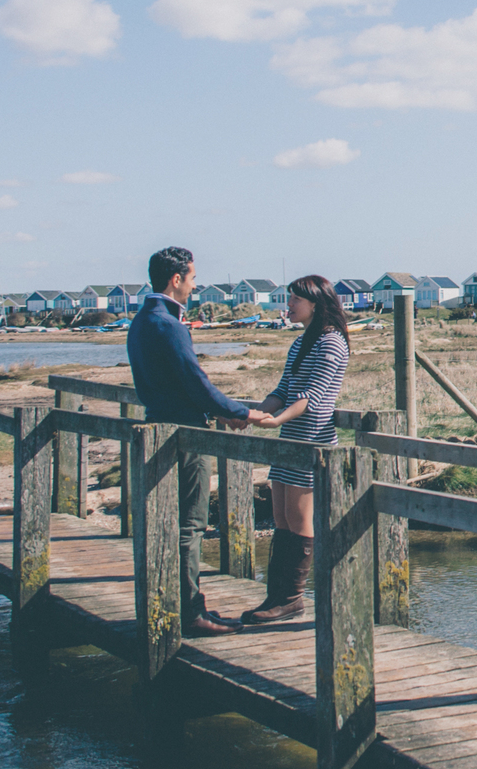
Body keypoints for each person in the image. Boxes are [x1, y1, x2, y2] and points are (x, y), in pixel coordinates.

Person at [126, 246, 255, 637]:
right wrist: (240, 411)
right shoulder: (168, 324)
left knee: (169, 523)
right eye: (194, 279)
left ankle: (178, 604)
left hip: (157, 427)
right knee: (191, 523)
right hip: (184, 432)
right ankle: (189, 612)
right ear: (176, 279)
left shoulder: (142, 321)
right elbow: (195, 381)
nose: (196, 286)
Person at [239, 274, 351, 626]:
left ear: (315, 304)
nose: (287, 306)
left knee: (301, 521)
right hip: (290, 438)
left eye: (293, 301)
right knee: (283, 520)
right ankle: (277, 596)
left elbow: (312, 398)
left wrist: (276, 421)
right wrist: (257, 413)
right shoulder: (303, 342)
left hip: (312, 440)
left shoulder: (332, 343)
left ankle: (291, 599)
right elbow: (284, 389)